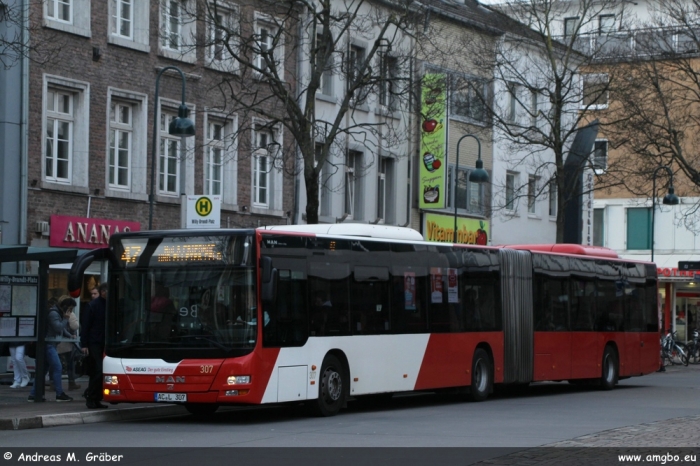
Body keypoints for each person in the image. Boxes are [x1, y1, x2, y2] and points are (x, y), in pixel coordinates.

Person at [28, 297, 76, 402]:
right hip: (49, 345)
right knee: (57, 367)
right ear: (65, 307)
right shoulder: (54, 313)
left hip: (50, 344)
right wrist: (66, 319)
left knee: (42, 370)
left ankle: (33, 394)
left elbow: (61, 329)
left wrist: (70, 336)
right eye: (70, 309)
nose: (71, 311)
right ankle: (59, 394)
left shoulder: (57, 313)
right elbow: (58, 327)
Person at [81, 283, 108, 409]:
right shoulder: (93, 305)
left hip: (101, 341)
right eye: (104, 291)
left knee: (100, 371)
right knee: (97, 371)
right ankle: (91, 397)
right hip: (95, 342)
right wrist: (84, 343)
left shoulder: (99, 305)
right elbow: (85, 326)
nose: (106, 293)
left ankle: (96, 398)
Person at [56, 295, 81, 391]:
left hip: (58, 341)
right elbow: (75, 326)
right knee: (70, 363)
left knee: (55, 364)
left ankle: (53, 383)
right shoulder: (68, 313)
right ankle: (71, 382)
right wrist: (71, 316)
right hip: (66, 343)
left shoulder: (56, 312)